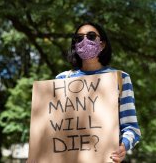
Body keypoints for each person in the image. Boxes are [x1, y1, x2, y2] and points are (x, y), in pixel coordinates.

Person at [56, 22, 141, 162]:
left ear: (102, 44)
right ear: (75, 46)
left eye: (91, 36)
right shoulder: (62, 79)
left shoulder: (120, 78)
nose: (84, 41)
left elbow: (131, 127)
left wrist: (123, 146)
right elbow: (53, 126)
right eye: (79, 38)